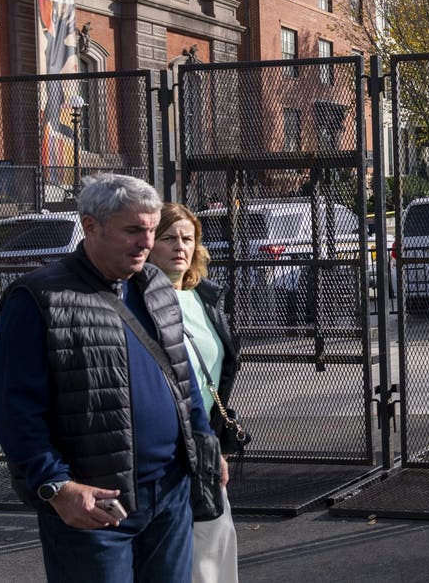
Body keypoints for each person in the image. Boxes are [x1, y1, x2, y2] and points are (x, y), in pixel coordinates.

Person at [0, 173, 214, 582]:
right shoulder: (38, 299)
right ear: (90, 226)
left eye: (150, 230)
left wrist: (205, 441)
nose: (146, 243)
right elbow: (14, 410)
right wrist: (56, 486)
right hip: (93, 506)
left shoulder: (155, 285)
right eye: (132, 230)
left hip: (170, 494)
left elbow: (181, 377)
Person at [149, 202, 241, 583]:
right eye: (168, 238)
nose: (180, 247)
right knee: (176, 552)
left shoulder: (204, 298)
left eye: (188, 238)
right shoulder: (137, 302)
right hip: (162, 447)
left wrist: (214, 439)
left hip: (203, 442)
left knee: (216, 540)